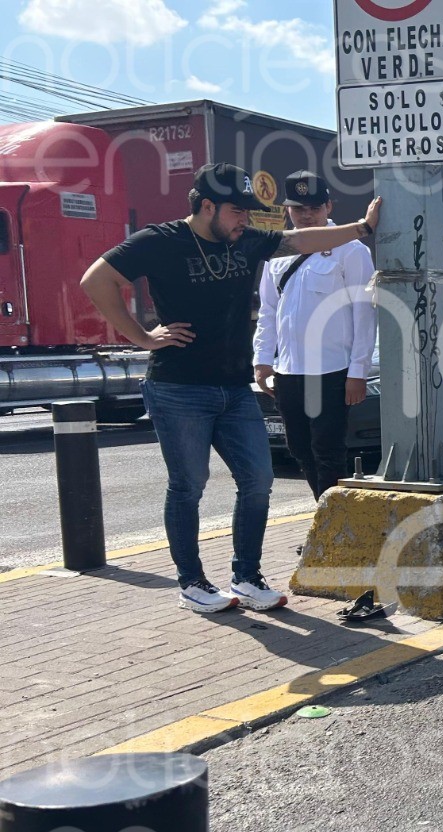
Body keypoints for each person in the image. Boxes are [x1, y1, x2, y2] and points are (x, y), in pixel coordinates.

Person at [80, 163, 382, 613]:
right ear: (207, 206)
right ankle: (193, 583)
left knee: (259, 480)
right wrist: (142, 338)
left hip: (235, 389)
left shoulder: (246, 242)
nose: (246, 219)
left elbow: (301, 241)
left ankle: (246, 576)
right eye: (238, 211)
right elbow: (96, 280)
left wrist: (361, 227)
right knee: (189, 485)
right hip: (178, 388)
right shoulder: (161, 241)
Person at [252, 171, 377, 499]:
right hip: (289, 370)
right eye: (298, 209)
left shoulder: (351, 250)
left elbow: (364, 313)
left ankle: (334, 530)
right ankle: (327, 517)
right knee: (300, 451)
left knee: (328, 453)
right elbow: (268, 310)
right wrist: (263, 360)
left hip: (332, 370)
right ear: (287, 211)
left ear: (328, 207)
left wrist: (358, 372)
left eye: (314, 208)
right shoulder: (278, 249)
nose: (306, 215)